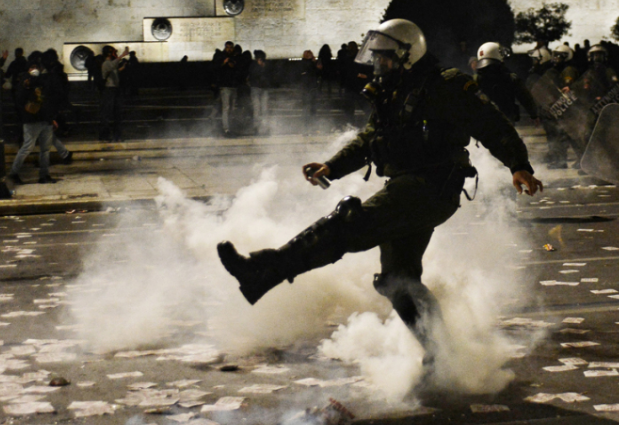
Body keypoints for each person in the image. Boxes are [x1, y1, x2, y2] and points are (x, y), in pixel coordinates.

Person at [217, 19, 543, 364]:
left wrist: (518, 164)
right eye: (376, 57)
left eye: (384, 57)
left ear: (408, 54)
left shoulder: (445, 85)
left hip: (431, 186)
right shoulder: (392, 91)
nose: (377, 64)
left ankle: (265, 269)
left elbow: (491, 124)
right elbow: (370, 139)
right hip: (406, 186)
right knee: (397, 280)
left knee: (349, 221)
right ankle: (443, 356)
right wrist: (333, 166)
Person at [7, 61, 57, 184]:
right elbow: (20, 99)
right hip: (31, 120)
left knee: (45, 149)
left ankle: (44, 175)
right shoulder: (24, 82)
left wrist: (52, 119)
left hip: (45, 119)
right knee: (27, 147)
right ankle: (13, 173)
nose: (34, 70)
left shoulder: (43, 80)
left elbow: (48, 99)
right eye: (32, 67)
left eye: (36, 67)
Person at [473, 42, 536, 123]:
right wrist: (534, 114)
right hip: (506, 120)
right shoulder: (509, 78)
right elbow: (524, 96)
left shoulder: (475, 79)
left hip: (483, 121)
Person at [99, 46, 128, 142]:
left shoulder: (109, 63)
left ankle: (116, 136)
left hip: (114, 90)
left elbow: (114, 69)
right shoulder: (106, 63)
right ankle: (105, 135)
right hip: (109, 90)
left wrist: (123, 67)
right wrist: (122, 55)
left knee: (117, 113)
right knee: (107, 114)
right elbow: (112, 66)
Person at [249, 50, 274, 134]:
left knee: (264, 109)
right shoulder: (253, 65)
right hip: (256, 88)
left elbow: (270, 75)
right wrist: (260, 67)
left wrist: (263, 67)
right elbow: (253, 75)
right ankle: (256, 127)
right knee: (257, 109)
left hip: (263, 88)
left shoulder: (266, 65)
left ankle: (265, 127)